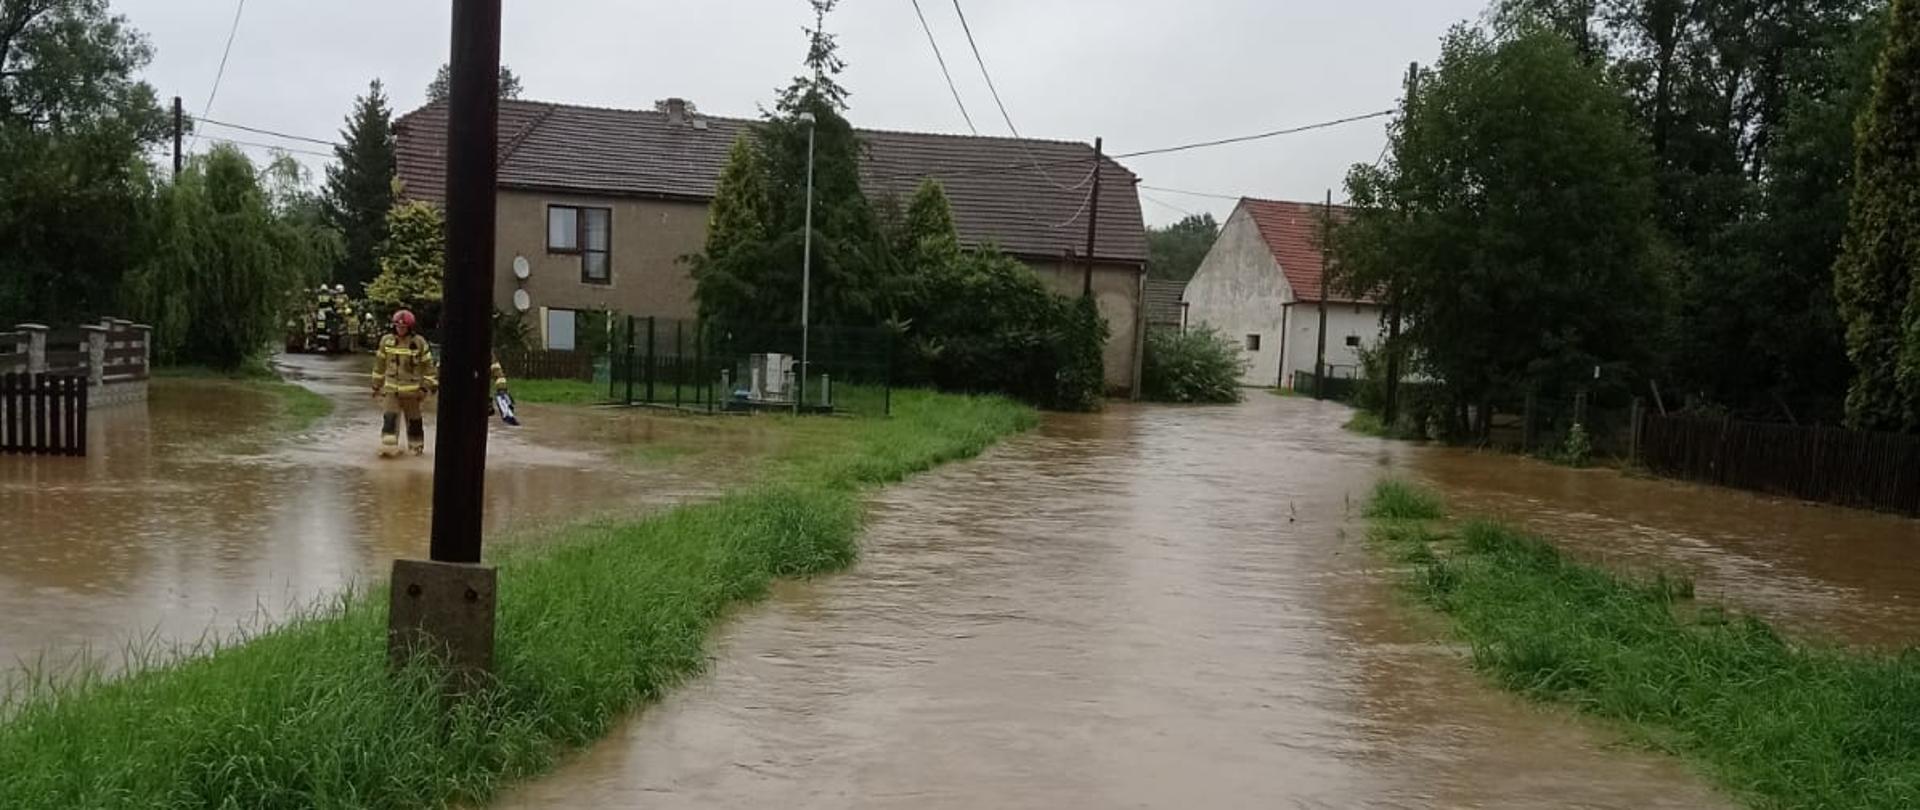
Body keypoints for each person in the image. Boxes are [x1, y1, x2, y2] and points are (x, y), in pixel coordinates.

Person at [371, 310, 438, 455]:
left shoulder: (419, 343)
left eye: (403, 327)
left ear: (410, 327)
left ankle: (416, 449)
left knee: (414, 423)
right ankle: (388, 449)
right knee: (390, 419)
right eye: (397, 326)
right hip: (391, 390)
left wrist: (426, 388)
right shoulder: (386, 341)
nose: (400, 329)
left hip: (413, 393)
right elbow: (379, 365)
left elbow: (429, 368)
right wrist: (376, 385)